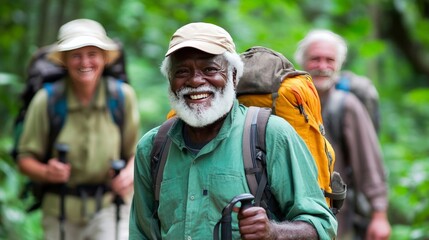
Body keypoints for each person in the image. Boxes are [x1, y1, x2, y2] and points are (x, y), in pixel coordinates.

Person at [129, 22, 337, 239]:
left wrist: (274, 232)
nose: (195, 80)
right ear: (170, 80)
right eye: (182, 71)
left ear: (234, 75)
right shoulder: (153, 147)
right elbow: (141, 233)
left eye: (209, 69)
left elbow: (322, 226)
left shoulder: (271, 136)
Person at [17, 19, 140, 240]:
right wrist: (47, 172)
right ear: (64, 60)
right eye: (75, 55)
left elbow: (135, 152)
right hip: (61, 211)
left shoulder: (122, 97)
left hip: (111, 207)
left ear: (104, 58)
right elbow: (25, 159)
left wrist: (129, 174)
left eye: (92, 53)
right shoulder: (47, 100)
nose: (85, 62)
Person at [294, 29, 391, 240]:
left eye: (330, 60)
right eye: (315, 59)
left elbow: (368, 162)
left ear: (339, 64)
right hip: (292, 219)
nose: (322, 67)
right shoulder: (289, 103)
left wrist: (379, 214)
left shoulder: (346, 106)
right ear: (302, 62)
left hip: (337, 219)